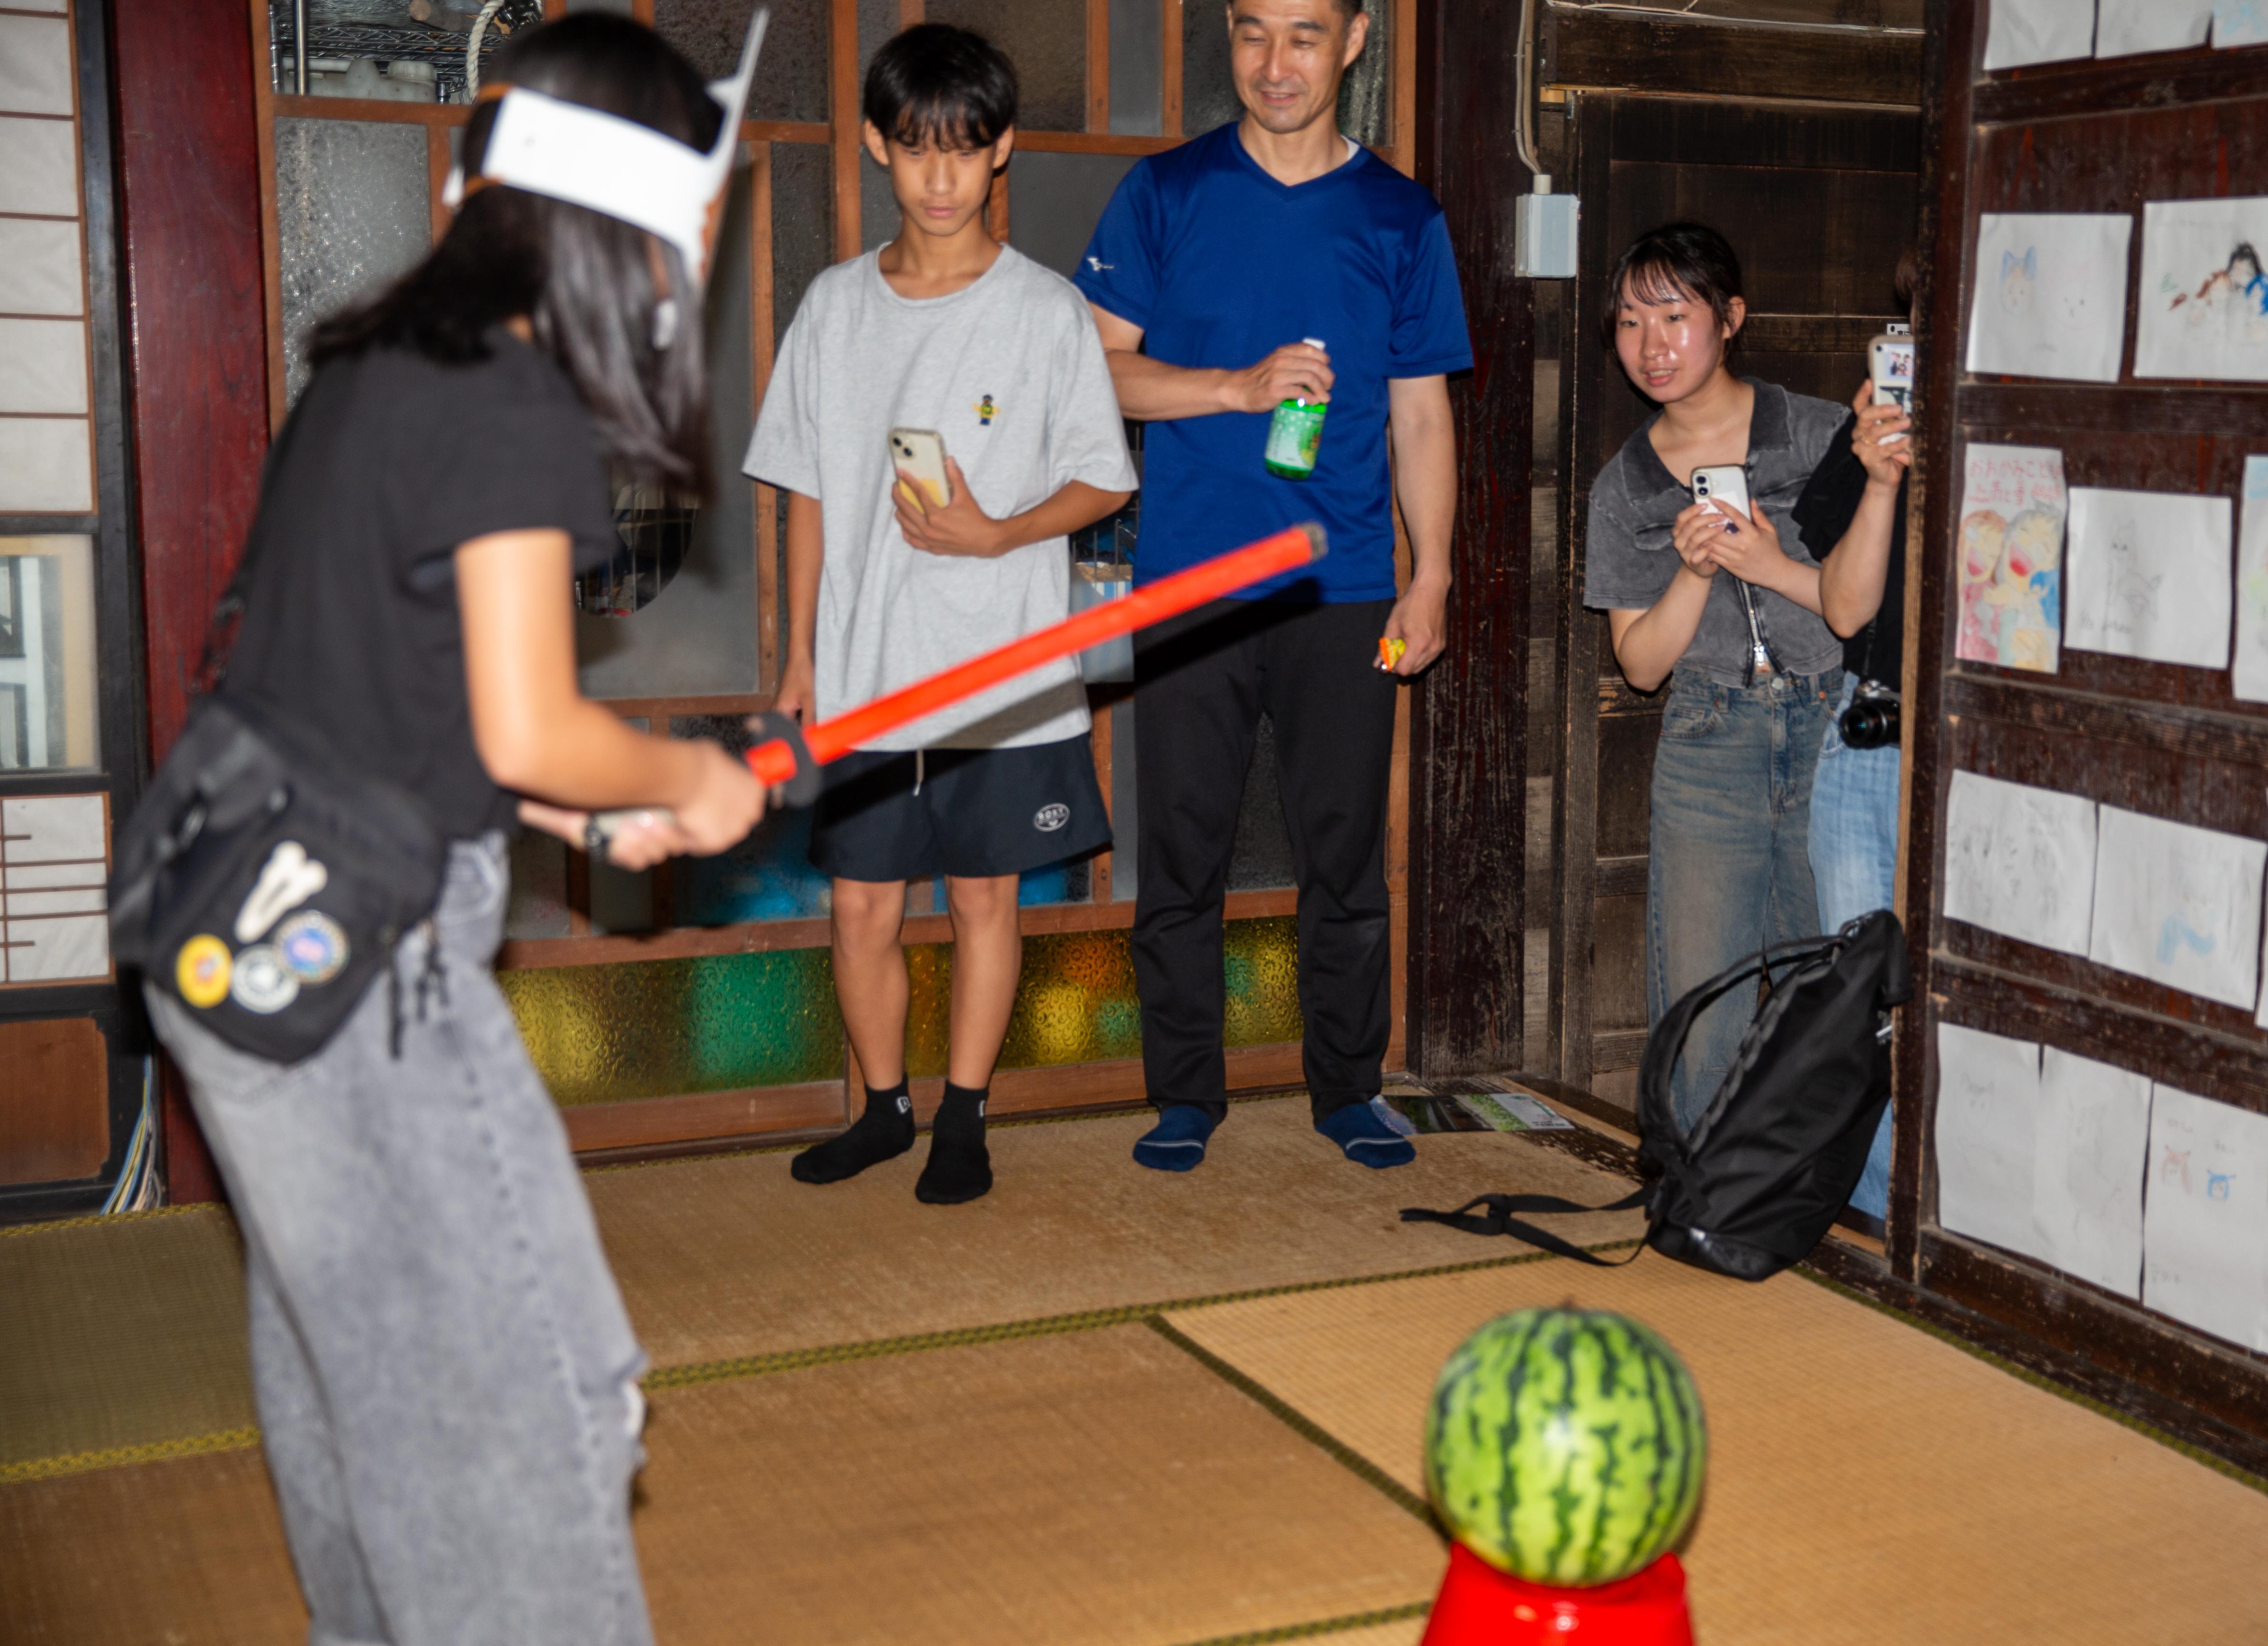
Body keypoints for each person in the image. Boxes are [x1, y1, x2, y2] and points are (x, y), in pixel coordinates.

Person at [138, 16, 768, 1642]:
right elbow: (525, 720)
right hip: (373, 984)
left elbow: (370, 685)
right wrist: (682, 780)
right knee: (521, 1410)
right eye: (694, 229)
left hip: (239, 939)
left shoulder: (380, 366)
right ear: (631, 225)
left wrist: (571, 809)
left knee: (360, 1388)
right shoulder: (513, 402)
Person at [1075, 0, 1470, 1174]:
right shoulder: (1166, 190)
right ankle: (1183, 1096)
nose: (1275, 62)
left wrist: (1432, 575)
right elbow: (1096, 371)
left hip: (1342, 585)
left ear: (1354, 41)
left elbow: (1420, 414)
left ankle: (1348, 1087)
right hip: (1189, 579)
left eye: (1304, 34)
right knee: (1181, 851)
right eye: (1253, 32)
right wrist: (1234, 388)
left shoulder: (1401, 215)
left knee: (1344, 853)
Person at [749, 24, 1137, 1205]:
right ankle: (883, 1109)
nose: (939, 176)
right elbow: (806, 490)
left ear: (1000, 149)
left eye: (963, 149)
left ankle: (965, 1118)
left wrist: (1001, 532)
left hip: (1002, 670)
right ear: (878, 146)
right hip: (867, 668)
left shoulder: (1046, 310)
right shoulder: (833, 307)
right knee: (861, 905)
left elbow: (1105, 478)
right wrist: (800, 656)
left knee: (983, 897)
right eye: (916, 148)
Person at [1583, 221, 1890, 1134]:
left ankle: (1825, 1189)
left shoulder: (1823, 434)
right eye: (1631, 323)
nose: (1652, 345)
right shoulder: (1625, 487)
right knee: (1702, 1002)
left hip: (1832, 730)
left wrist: (1766, 562)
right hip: (1709, 739)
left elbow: (1857, 612)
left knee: (1829, 985)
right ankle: (1697, 1186)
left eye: (1675, 316)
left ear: (1730, 318)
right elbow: (1641, 666)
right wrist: (1694, 571)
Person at [1795, 248, 1919, 1226]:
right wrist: (1878, 479)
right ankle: (1877, 1212)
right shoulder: (1877, 420)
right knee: (1861, 988)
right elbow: (1844, 610)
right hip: (1871, 725)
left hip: (1972, 740)